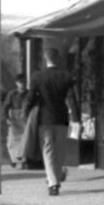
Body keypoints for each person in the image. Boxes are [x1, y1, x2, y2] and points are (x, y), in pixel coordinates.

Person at [25, 49, 78, 197]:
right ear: (58, 59)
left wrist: (26, 113)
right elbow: (72, 99)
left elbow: (30, 97)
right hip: (62, 117)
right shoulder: (66, 76)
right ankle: (55, 178)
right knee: (60, 150)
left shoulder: (37, 76)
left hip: (45, 118)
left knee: (48, 151)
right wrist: (76, 118)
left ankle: (53, 182)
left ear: (45, 59)